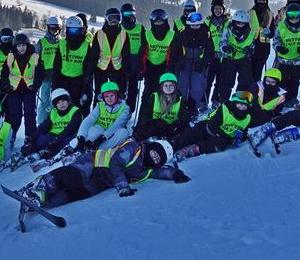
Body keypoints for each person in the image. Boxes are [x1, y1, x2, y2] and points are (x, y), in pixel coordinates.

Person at [22, 138, 186, 207]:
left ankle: (44, 201)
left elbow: (161, 173)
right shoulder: (135, 149)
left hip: (102, 182)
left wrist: (174, 174)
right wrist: (122, 185)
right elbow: (116, 163)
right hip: (93, 163)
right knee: (74, 177)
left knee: (78, 193)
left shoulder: (146, 171)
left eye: (159, 159)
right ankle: (41, 186)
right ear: (151, 147)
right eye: (155, 153)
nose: (155, 158)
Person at [171, 91, 255, 159]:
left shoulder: (247, 118)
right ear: (234, 103)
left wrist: (238, 138)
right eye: (239, 104)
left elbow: (243, 133)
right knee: (191, 136)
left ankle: (193, 150)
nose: (241, 107)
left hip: (219, 138)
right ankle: (172, 144)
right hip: (207, 126)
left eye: (244, 105)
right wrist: (228, 138)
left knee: (220, 145)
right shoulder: (225, 109)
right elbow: (212, 125)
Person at [170, 10, 214, 118]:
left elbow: (210, 52)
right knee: (182, 86)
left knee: (197, 87)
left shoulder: (206, 34)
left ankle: (193, 108)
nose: (196, 26)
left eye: (198, 24)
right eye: (193, 25)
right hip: (185, 64)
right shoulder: (181, 34)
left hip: (199, 65)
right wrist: (179, 62)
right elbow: (174, 50)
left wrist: (203, 63)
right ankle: (181, 107)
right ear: (189, 24)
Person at [20, 88, 84, 161]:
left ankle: (51, 152)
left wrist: (55, 142)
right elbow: (43, 127)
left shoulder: (75, 111)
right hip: (53, 135)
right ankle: (33, 150)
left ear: (68, 101)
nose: (61, 104)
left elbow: (70, 130)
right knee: (39, 142)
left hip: (68, 136)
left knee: (64, 145)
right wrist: (32, 138)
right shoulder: (54, 112)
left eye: (63, 101)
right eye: (58, 102)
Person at [3, 31, 40, 150]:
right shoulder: (10, 57)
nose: (21, 48)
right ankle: (11, 136)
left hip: (29, 90)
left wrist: (36, 85)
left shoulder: (34, 56)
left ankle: (30, 136)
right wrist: (6, 85)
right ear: (15, 46)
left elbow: (40, 73)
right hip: (14, 90)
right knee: (15, 115)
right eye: (19, 45)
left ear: (27, 45)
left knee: (30, 114)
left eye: (23, 45)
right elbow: (4, 73)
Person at [272, 4, 300, 102]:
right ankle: (281, 99)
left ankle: (292, 98)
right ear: (287, 15)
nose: (294, 18)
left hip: (297, 60)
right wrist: (278, 47)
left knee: (295, 80)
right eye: (291, 15)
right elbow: (276, 40)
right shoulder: (281, 26)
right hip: (283, 60)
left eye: (296, 15)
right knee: (282, 80)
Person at [213, 9, 256, 104]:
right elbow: (222, 42)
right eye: (238, 22)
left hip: (243, 59)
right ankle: (224, 102)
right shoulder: (228, 30)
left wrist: (250, 50)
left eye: (243, 23)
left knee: (244, 81)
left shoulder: (251, 33)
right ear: (234, 21)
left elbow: (253, 45)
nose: (240, 24)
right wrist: (225, 48)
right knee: (227, 81)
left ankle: (240, 101)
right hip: (229, 58)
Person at [74, 81, 132, 151]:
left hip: (113, 134)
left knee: (124, 133)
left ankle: (98, 149)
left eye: (112, 95)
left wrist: (102, 138)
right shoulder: (100, 106)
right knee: (95, 129)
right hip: (99, 131)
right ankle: (82, 145)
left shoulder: (124, 108)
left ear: (117, 95)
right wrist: (81, 137)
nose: (109, 98)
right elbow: (88, 121)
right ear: (103, 97)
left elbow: (117, 125)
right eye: (106, 96)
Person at [51, 15, 93, 111]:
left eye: (76, 30)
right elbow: (57, 65)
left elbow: (88, 67)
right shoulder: (62, 44)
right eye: (71, 30)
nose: (73, 34)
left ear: (81, 30)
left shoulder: (86, 46)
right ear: (67, 30)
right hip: (63, 80)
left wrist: (85, 84)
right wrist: (55, 84)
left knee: (77, 107)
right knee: (62, 107)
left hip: (78, 81)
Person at [90, 6, 131, 101]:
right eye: (111, 18)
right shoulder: (99, 34)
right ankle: (99, 113)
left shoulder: (124, 34)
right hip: (101, 69)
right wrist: (90, 71)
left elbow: (126, 55)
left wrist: (127, 71)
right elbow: (94, 55)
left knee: (116, 95)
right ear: (106, 19)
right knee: (100, 95)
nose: (114, 21)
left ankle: (115, 115)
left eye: (117, 18)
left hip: (117, 69)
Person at [133, 72, 189, 142]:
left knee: (186, 129)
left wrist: (175, 125)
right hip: (155, 127)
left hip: (171, 129)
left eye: (171, 85)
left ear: (175, 86)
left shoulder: (180, 99)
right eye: (166, 85)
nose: (168, 88)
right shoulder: (154, 97)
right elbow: (145, 115)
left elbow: (184, 118)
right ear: (161, 87)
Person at [142, 9, 176, 110]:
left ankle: (158, 115)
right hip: (149, 66)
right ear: (152, 22)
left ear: (165, 22)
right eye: (156, 22)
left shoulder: (171, 35)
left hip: (164, 67)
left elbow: (174, 53)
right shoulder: (147, 34)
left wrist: (171, 68)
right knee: (148, 91)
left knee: (161, 92)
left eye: (160, 22)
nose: (158, 24)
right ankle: (143, 117)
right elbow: (142, 52)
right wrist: (141, 68)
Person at [35, 16, 63, 125]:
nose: (54, 31)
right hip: (45, 75)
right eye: (52, 28)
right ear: (48, 28)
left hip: (58, 75)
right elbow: (35, 59)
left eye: (56, 28)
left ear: (60, 29)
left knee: (56, 100)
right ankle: (41, 123)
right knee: (44, 101)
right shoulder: (42, 42)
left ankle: (54, 122)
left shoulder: (62, 42)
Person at [120, 2, 146, 112]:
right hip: (121, 63)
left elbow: (145, 47)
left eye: (132, 13)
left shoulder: (140, 28)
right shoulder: (119, 27)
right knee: (121, 90)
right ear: (122, 14)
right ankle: (118, 112)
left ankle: (130, 111)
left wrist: (142, 68)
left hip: (136, 63)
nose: (129, 15)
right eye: (126, 13)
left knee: (133, 91)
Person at [249, 0, 275, 82]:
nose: (262, 2)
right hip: (251, 46)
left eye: (264, 0)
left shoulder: (270, 14)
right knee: (249, 72)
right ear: (256, 0)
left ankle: (256, 93)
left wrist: (269, 33)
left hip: (264, 47)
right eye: (259, 0)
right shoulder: (250, 13)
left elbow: (273, 32)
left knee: (258, 72)